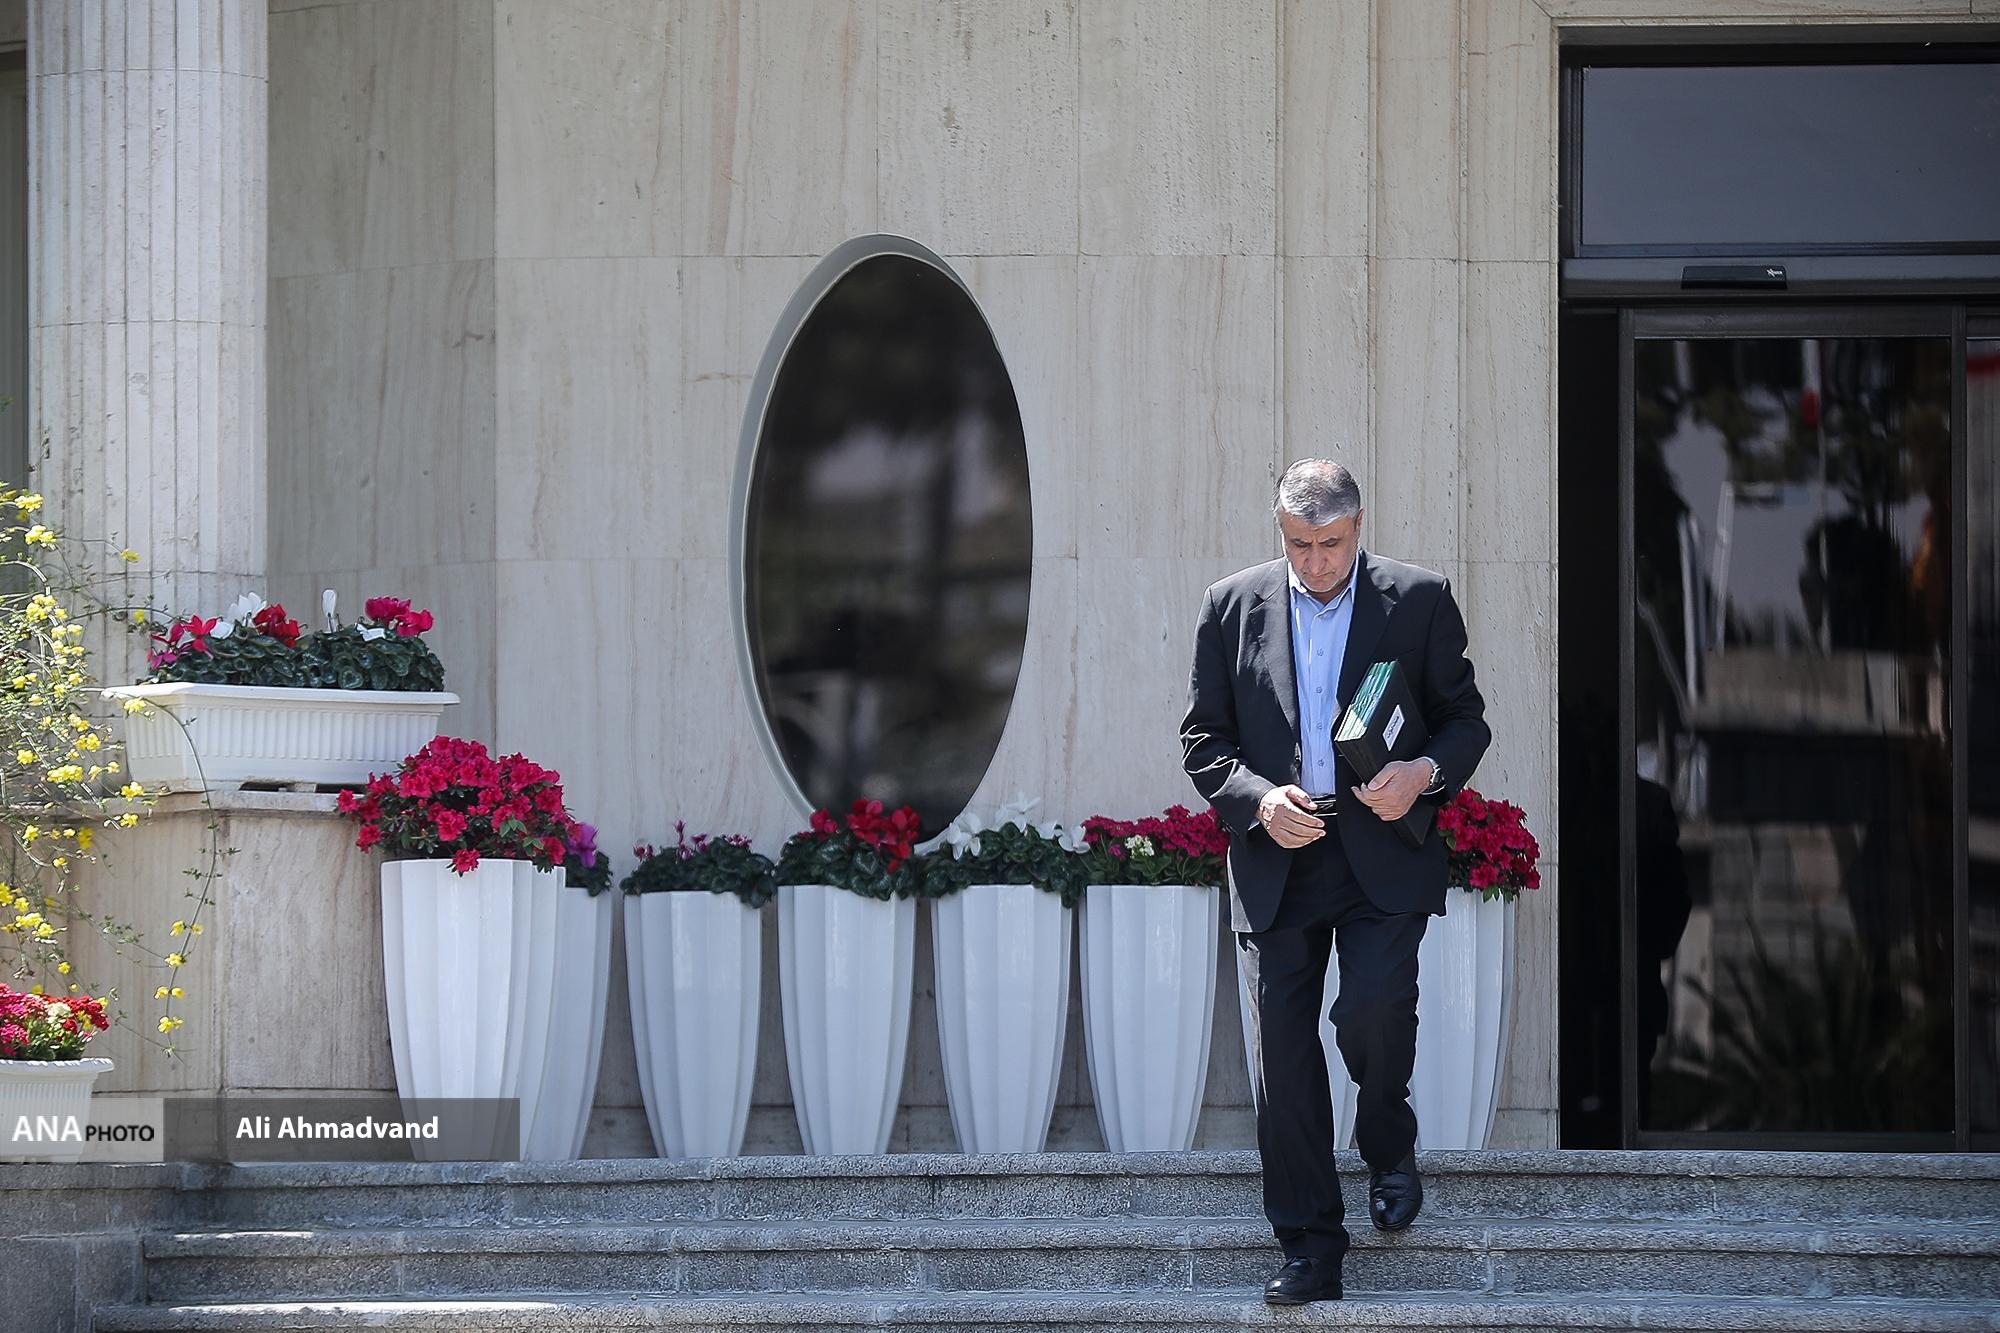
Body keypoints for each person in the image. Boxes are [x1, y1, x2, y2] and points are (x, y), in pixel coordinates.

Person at [1180, 459, 1489, 1305]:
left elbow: (1465, 720)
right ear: (1279, 532)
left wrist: (1422, 772)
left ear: (1359, 528)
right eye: (1299, 545)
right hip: (1279, 853)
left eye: (1332, 544)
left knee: (1372, 1011)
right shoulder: (1229, 605)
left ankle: (1387, 1137)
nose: (1316, 563)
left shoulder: (1419, 598)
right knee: (1282, 1061)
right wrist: (1258, 798)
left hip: (1380, 850)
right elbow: (1203, 740)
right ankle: (1311, 1247)